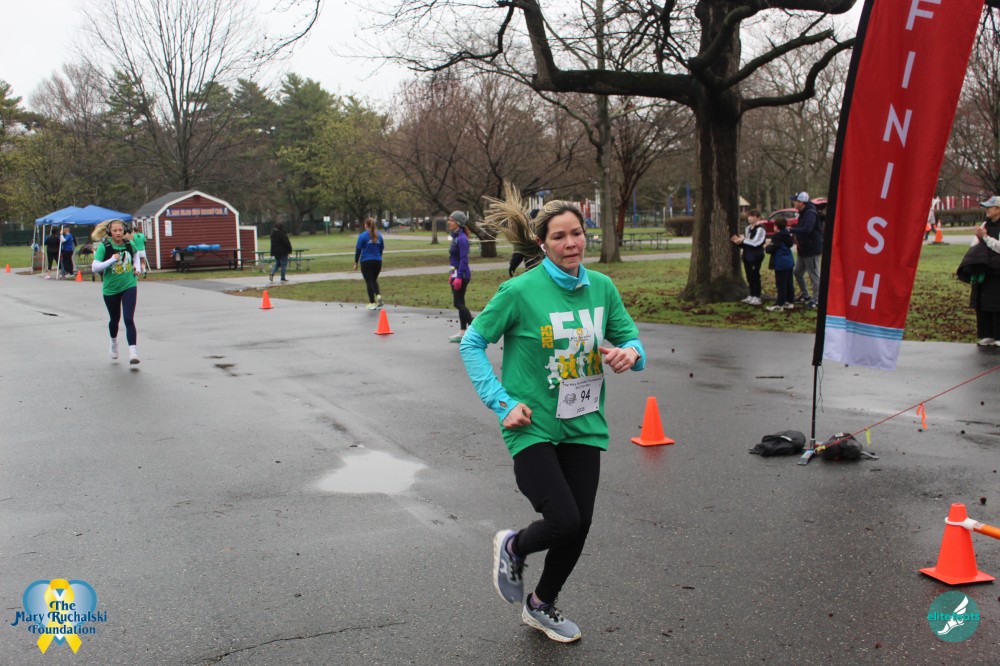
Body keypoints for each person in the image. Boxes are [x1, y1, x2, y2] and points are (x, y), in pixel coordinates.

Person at [460, 187, 646, 643]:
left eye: (577, 233)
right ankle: (514, 545)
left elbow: (632, 341)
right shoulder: (520, 291)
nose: (571, 243)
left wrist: (629, 353)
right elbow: (472, 342)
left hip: (584, 422)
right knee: (563, 519)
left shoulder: (602, 287)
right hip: (532, 425)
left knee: (580, 524)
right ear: (543, 243)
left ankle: (541, 604)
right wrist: (501, 402)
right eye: (559, 236)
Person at [91, 219, 142, 364]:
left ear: (124, 231)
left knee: (128, 319)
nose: (118, 233)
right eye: (115, 231)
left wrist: (137, 268)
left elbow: (136, 256)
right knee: (115, 320)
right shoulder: (105, 247)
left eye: (120, 230)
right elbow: (95, 267)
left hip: (129, 285)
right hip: (111, 289)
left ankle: (133, 353)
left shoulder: (129, 244)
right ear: (109, 232)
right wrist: (111, 260)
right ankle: (113, 343)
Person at [968, 195, 1000, 346]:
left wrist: (985, 238)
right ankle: (987, 334)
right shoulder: (985, 224)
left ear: (998, 209)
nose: (986, 210)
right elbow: (974, 243)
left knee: (997, 303)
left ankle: (998, 335)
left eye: (989, 207)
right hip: (984, 269)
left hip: (997, 270)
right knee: (982, 302)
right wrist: (979, 239)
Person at [788, 192, 821, 308]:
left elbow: (807, 229)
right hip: (803, 249)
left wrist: (792, 230)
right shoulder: (803, 213)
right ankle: (805, 295)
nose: (793, 202)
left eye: (795, 201)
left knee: (814, 276)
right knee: (797, 272)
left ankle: (817, 299)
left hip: (811, 249)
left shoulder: (810, 213)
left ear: (801, 202)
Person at [447, 211, 473, 342]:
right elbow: (454, 259)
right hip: (456, 274)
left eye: (451, 220)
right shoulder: (456, 237)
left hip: (462, 275)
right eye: (449, 220)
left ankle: (475, 327)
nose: (449, 222)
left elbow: (464, 259)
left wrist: (459, 277)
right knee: (460, 303)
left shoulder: (462, 239)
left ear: (458, 223)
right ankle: (463, 331)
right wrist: (452, 275)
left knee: (458, 303)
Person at [730, 209, 766, 305]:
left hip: (756, 256)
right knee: (749, 276)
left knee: (755, 276)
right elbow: (747, 243)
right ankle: (751, 294)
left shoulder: (760, 229)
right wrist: (738, 242)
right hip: (747, 256)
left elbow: (756, 242)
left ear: (758, 218)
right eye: (749, 216)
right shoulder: (747, 228)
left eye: (753, 216)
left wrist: (743, 240)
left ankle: (757, 296)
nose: (750, 218)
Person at [354, 217, 385, 309]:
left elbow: (358, 250)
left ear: (366, 225)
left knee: (369, 282)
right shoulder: (379, 236)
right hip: (378, 261)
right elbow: (381, 249)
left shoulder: (362, 236)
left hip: (366, 262)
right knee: (373, 280)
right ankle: (378, 296)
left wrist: (356, 262)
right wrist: (379, 258)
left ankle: (372, 303)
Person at [765, 218, 795, 312]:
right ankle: (789, 301)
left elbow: (771, 249)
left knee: (781, 284)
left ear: (776, 227)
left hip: (780, 262)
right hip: (788, 261)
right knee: (789, 283)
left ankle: (779, 304)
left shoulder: (778, 236)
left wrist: (767, 246)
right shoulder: (787, 234)